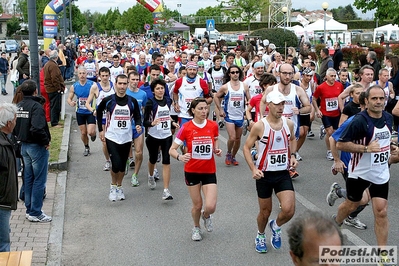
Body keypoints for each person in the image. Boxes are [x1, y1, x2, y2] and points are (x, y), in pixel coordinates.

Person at [333, 85, 396, 247]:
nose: (378, 102)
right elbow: (340, 144)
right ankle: (336, 222)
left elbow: (383, 140)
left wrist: (390, 147)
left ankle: (383, 255)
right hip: (360, 173)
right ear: (366, 101)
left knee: (381, 212)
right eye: (374, 98)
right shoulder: (359, 121)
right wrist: (366, 149)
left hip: (381, 173)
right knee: (352, 204)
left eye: (381, 98)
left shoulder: (388, 118)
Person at [243, 90, 298, 253]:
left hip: (282, 172)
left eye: (282, 104)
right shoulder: (260, 126)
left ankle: (276, 225)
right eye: (277, 104)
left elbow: (293, 139)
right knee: (265, 212)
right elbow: (246, 148)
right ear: (269, 106)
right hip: (264, 174)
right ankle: (260, 234)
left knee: (289, 210)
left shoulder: (288, 124)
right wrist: (253, 168)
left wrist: (293, 155)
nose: (281, 108)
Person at [169, 97, 222, 241]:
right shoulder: (186, 128)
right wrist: (180, 157)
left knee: (210, 206)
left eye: (206, 108)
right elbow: (172, 149)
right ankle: (196, 227)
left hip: (209, 170)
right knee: (197, 205)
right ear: (193, 110)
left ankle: (206, 216)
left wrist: (216, 149)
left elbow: (215, 139)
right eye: (200, 109)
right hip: (192, 171)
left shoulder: (212, 125)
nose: (204, 111)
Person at [96, 74, 142, 201]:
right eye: (120, 83)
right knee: (115, 164)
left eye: (124, 84)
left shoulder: (132, 101)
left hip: (126, 137)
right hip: (112, 136)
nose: (122, 86)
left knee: (122, 167)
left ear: (127, 85)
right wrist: (100, 130)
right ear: (115, 84)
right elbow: (99, 112)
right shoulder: (109, 100)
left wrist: (138, 125)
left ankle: (120, 186)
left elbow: (137, 116)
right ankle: (113, 185)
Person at [14, 80, 52, 222]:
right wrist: (45, 141)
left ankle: (29, 209)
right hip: (36, 146)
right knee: (39, 180)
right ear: (35, 91)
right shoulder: (36, 107)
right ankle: (36, 211)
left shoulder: (19, 106)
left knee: (28, 178)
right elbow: (37, 128)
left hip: (24, 145)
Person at [143, 78, 179, 198]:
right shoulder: (150, 103)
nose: (160, 91)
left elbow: (168, 116)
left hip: (166, 135)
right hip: (153, 136)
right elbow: (145, 122)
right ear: (153, 90)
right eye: (157, 88)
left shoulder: (168, 100)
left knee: (166, 161)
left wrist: (173, 122)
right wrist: (152, 123)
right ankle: (150, 175)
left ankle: (166, 190)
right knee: (153, 159)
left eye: (162, 88)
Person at [214, 65, 249, 166]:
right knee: (232, 138)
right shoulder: (226, 86)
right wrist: (220, 109)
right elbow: (216, 97)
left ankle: (233, 156)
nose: (235, 74)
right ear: (229, 74)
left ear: (239, 73)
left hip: (240, 115)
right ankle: (228, 153)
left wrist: (247, 109)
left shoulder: (244, 86)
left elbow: (249, 100)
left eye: (237, 72)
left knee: (238, 139)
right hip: (229, 115)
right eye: (232, 72)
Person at [85, 67, 115, 170]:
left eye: (107, 75)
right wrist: (93, 111)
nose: (105, 78)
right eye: (103, 76)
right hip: (102, 118)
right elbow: (87, 103)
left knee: (115, 140)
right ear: (99, 76)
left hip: (113, 118)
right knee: (105, 142)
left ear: (109, 76)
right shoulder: (95, 87)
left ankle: (116, 158)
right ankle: (108, 161)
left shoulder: (114, 86)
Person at [312, 68, 344, 160]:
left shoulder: (339, 85)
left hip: (336, 113)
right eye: (331, 76)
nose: (333, 78)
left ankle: (324, 130)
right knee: (330, 132)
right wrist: (317, 110)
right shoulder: (321, 87)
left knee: (334, 132)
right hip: (325, 113)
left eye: (334, 76)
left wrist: (342, 107)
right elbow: (314, 99)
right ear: (326, 76)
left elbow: (342, 96)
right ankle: (329, 151)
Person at [67, 66, 97, 156]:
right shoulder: (74, 86)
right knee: (83, 132)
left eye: (84, 73)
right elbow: (69, 98)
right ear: (78, 74)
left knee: (90, 132)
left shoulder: (92, 85)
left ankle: (93, 134)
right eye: (80, 73)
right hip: (80, 112)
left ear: (86, 74)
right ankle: (86, 147)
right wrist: (70, 102)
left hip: (90, 111)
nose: (82, 75)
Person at [0, 103, 18, 251]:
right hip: (1, 202)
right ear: (8, 123)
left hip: (4, 201)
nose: (16, 123)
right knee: (3, 244)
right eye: (15, 120)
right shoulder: (1, 146)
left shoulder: (5, 140)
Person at [126, 71, 147, 186]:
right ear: (128, 80)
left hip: (138, 127)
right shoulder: (124, 92)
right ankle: (127, 160)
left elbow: (144, 108)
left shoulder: (142, 94)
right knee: (125, 150)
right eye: (132, 79)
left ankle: (135, 175)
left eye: (136, 79)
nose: (135, 82)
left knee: (139, 152)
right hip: (125, 127)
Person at [43, 50, 65, 128]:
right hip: (53, 89)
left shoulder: (48, 64)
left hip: (49, 88)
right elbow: (55, 78)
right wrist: (58, 88)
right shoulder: (53, 65)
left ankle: (55, 121)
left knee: (53, 105)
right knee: (55, 106)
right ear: (56, 57)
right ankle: (54, 123)